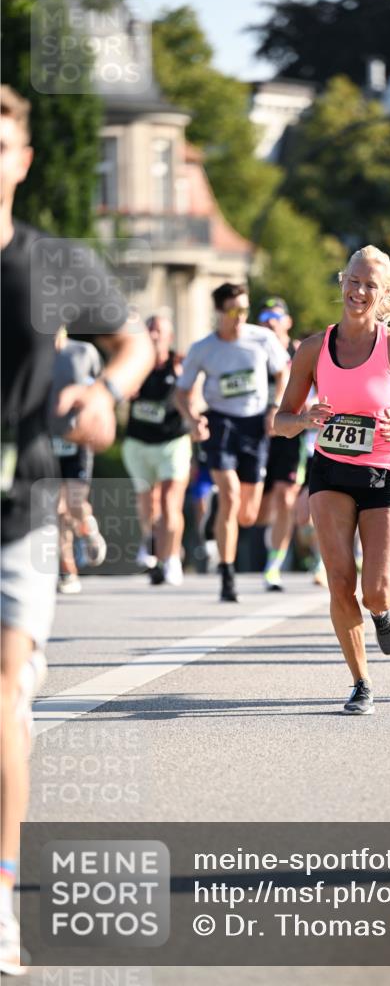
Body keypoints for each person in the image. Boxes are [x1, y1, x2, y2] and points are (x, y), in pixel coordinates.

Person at [0, 85, 153, 975]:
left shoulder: (49, 263)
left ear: (21, 160)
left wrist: (105, 393)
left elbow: (131, 341)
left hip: (17, 510)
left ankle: (3, 894)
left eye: (0, 143)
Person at [275, 245, 390, 715]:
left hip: (384, 472)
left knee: (376, 588)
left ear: (384, 294)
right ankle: (361, 681)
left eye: (371, 285)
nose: (359, 291)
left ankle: (383, 613)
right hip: (329, 470)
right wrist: (305, 418)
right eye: (353, 280)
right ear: (341, 281)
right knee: (339, 579)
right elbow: (280, 420)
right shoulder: (312, 348)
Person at [175, 283, 289, 601]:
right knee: (230, 493)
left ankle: (218, 517)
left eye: (244, 309)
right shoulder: (203, 348)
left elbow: (283, 372)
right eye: (233, 310)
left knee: (247, 515)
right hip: (220, 421)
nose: (239, 317)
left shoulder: (262, 339)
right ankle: (227, 575)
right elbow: (182, 392)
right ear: (219, 312)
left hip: (255, 424)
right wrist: (192, 418)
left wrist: (274, 406)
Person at [122, 310, 192, 586]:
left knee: (169, 501)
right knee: (147, 503)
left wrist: (195, 416)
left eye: (158, 331)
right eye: (149, 329)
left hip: (172, 442)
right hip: (138, 442)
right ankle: (151, 540)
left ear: (169, 337)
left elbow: (193, 397)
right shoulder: (133, 364)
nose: (152, 334)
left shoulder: (179, 364)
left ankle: (171, 558)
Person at [49, 326, 107, 594]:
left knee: (74, 503)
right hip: (46, 441)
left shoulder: (84, 352)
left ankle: (88, 528)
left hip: (78, 439)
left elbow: (101, 390)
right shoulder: (33, 354)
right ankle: (67, 571)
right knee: (55, 510)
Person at [254, 296, 303, 592]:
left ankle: (274, 565)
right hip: (256, 433)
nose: (270, 320)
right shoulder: (252, 351)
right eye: (265, 315)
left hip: (288, 433)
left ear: (287, 321)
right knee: (255, 512)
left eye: (276, 315)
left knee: (287, 499)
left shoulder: (300, 351)